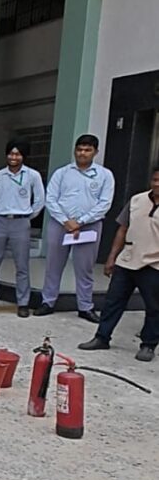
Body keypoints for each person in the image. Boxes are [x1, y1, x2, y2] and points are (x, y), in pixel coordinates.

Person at [78, 165, 159, 362]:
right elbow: (122, 229)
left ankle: (148, 345)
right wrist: (112, 257)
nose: (157, 184)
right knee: (113, 302)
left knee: (154, 307)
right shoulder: (137, 200)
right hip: (128, 259)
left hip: (154, 264)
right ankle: (101, 337)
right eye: (155, 179)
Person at [36, 134, 115, 322]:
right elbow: (51, 199)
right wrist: (66, 221)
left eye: (87, 150)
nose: (83, 153)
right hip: (60, 224)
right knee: (53, 265)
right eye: (79, 149)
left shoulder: (105, 175)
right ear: (75, 150)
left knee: (85, 268)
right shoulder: (62, 173)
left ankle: (85, 306)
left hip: (89, 227)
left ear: (96, 152)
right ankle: (48, 301)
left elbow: (105, 203)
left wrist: (81, 222)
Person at [0, 140, 46, 318]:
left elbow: (39, 201)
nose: (14, 157)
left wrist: (26, 216)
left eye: (18, 154)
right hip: (0, 221)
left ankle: (23, 303)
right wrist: (2, 212)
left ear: (23, 156)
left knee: (21, 265)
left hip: (21, 222)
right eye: (11, 154)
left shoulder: (32, 175)